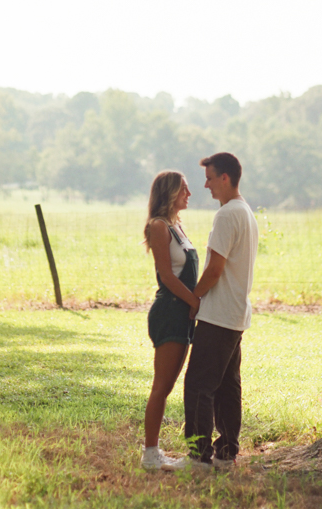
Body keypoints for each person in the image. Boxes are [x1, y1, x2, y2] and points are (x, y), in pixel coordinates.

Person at [177, 152, 258, 471]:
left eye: (210, 178)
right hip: (236, 314)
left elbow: (214, 270)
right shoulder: (245, 211)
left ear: (226, 178)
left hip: (218, 314)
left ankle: (198, 458)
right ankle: (226, 454)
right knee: (226, 386)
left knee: (199, 385)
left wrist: (193, 300)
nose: (206, 185)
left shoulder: (226, 215)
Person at [141, 170, 200, 471]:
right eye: (184, 190)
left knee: (169, 385)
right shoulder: (159, 227)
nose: (189, 195)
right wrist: (194, 302)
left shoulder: (178, 226)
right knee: (161, 386)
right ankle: (150, 454)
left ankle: (154, 451)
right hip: (170, 312)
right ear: (170, 193)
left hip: (184, 312)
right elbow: (167, 276)